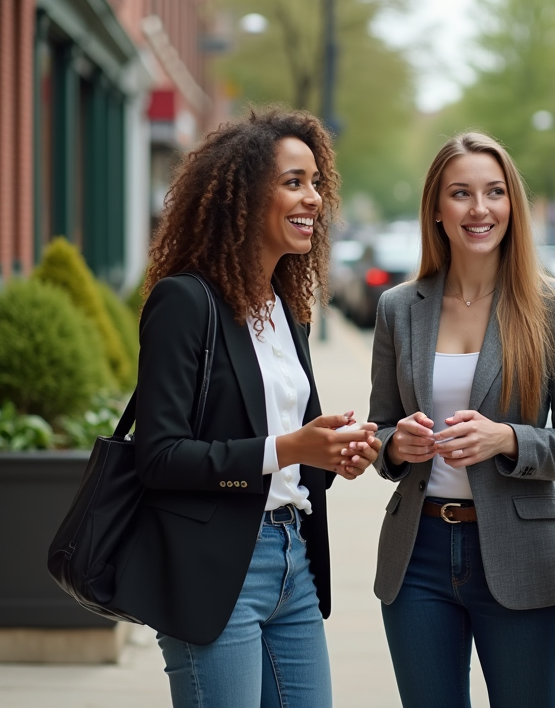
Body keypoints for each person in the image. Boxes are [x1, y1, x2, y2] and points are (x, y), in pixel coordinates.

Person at [119, 108, 381, 708]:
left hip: (294, 561)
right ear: (240, 195)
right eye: (293, 182)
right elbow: (159, 457)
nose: (313, 198)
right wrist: (290, 447)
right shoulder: (184, 301)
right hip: (216, 574)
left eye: (316, 182)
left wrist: (335, 454)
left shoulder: (285, 312)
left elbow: (293, 466)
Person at [369, 132, 555, 708]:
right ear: (437, 210)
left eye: (494, 192)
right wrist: (398, 447)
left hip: (523, 554)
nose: (479, 209)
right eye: (461, 193)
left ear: (512, 205)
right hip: (416, 555)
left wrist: (506, 438)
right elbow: (381, 431)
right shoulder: (399, 308)